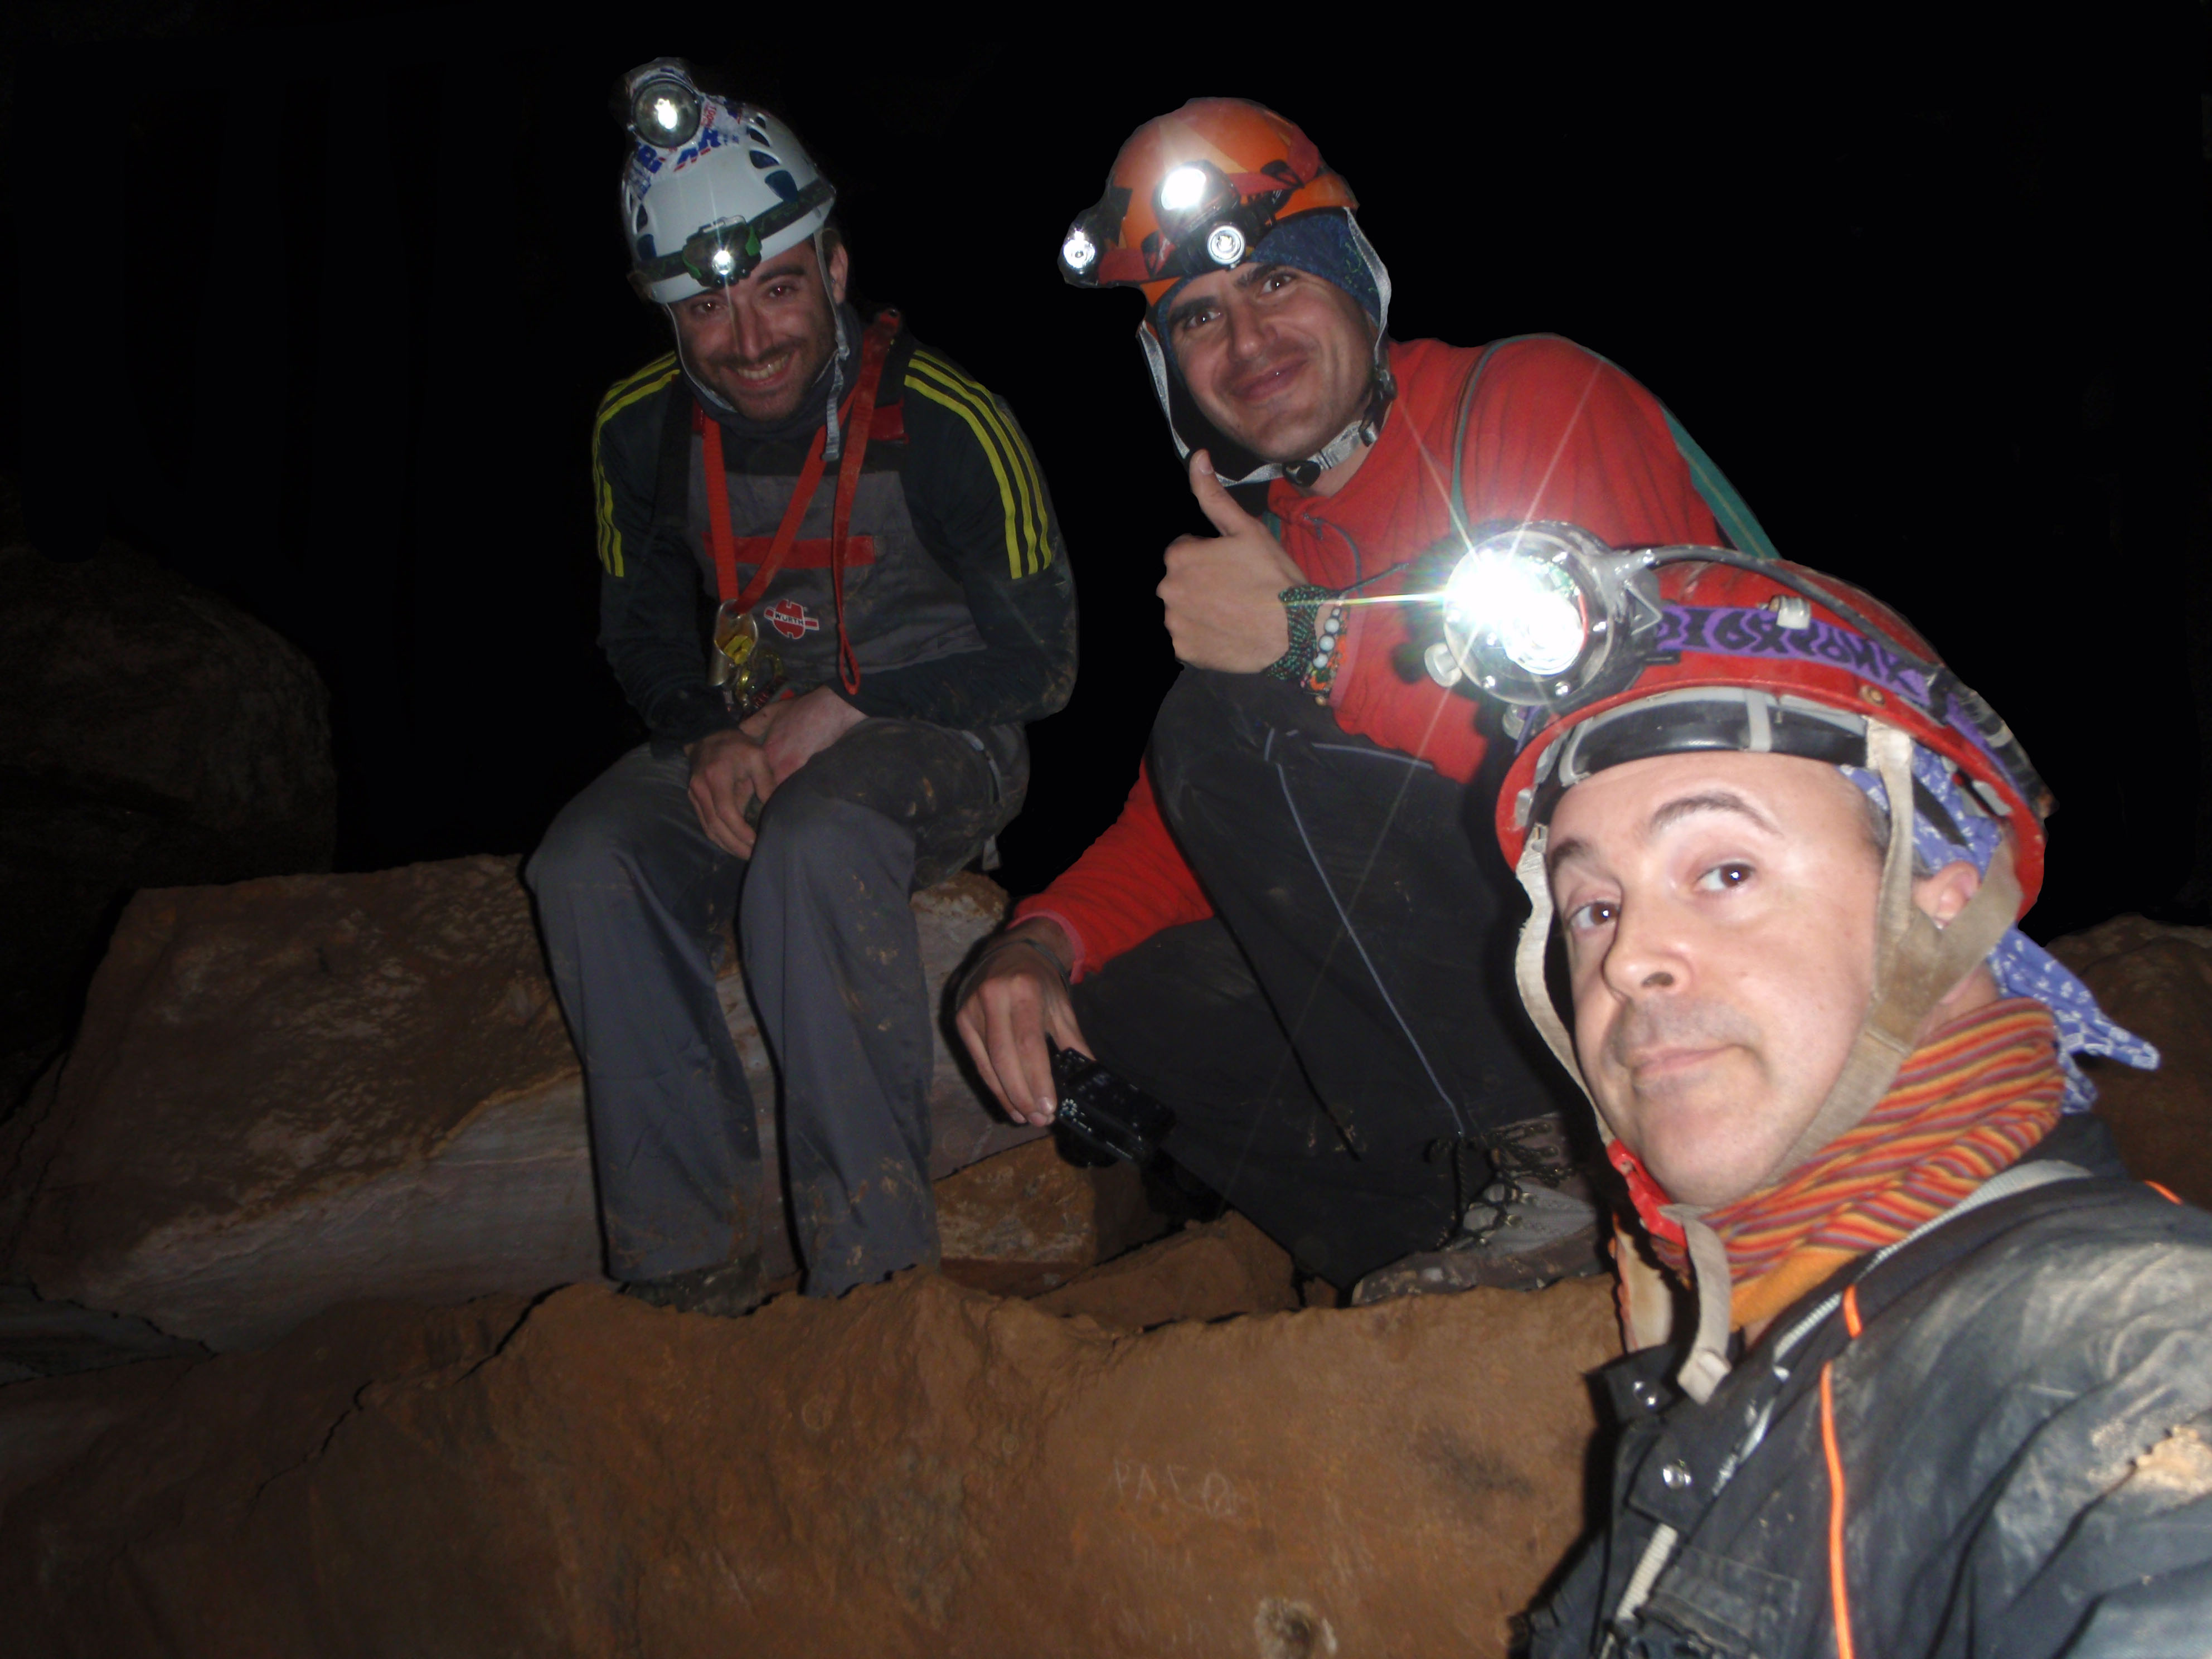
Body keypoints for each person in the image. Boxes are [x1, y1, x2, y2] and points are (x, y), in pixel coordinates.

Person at [955, 98, 1773, 1298]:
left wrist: (1313, 642)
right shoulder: (1286, 544)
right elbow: (1190, 825)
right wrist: (1038, 942)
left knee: (1223, 722)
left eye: (1276, 281)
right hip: (1533, 978)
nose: (1246, 340)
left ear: (1354, 280)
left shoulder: (1531, 401)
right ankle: (1440, 1232)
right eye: (1198, 317)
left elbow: (1653, 752)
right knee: (1124, 1001)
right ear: (1169, 370)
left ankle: (1562, 1172)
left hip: (1704, 948)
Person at [1449, 529, 2208, 1655]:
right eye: (1594, 909)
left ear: (1941, 900)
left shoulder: (2132, 1352)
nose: (1627, 960)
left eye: (1725, 871)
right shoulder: (1732, 1389)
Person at [529, 61, 1075, 1313]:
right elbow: (637, 627)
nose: (749, 341)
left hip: (943, 731)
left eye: (777, 289)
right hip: (754, 729)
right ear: (669, 317)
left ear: (833, 268)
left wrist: (855, 702)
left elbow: (1045, 663)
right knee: (585, 862)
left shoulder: (950, 419)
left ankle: (874, 1279)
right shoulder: (636, 428)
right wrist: (703, 733)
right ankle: (684, 1263)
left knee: (816, 842)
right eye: (706, 309)